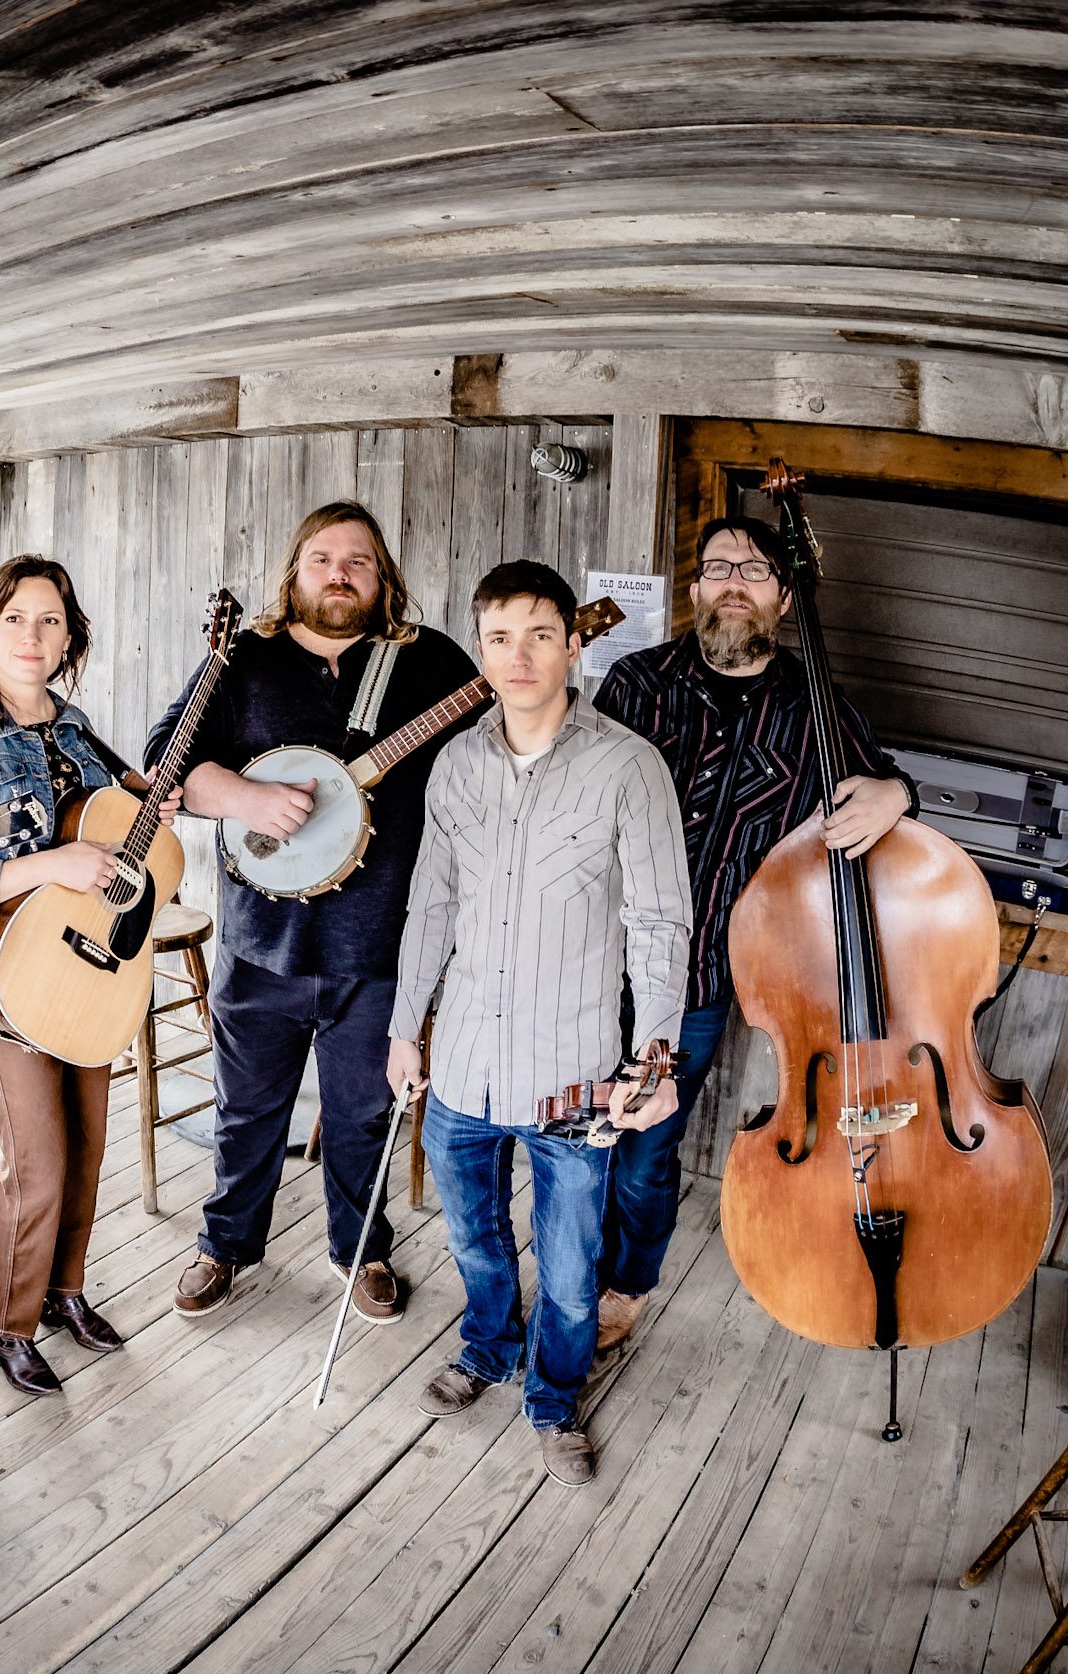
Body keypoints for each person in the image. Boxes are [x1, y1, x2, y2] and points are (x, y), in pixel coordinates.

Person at [388, 560, 691, 1488]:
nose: (518, 657)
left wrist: (658, 1055)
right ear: (482, 651)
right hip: (465, 1067)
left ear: (573, 643)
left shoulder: (627, 765)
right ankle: (487, 1345)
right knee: (476, 1239)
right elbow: (430, 904)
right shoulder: (457, 762)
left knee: (569, 1266)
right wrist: (407, 1028)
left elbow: (658, 920)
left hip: (574, 1076)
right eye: (499, 638)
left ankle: (554, 1398)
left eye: (539, 635)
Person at [146, 501, 479, 1323]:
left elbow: (494, 746)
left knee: (364, 1116)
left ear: (383, 575)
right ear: (295, 571)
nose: (339, 573)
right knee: (246, 1109)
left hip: (378, 946)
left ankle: (360, 1249)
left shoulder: (428, 659)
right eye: (323, 558)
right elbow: (164, 762)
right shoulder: (244, 656)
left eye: (358, 560)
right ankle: (226, 1245)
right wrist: (246, 797)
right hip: (261, 943)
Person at [590, 515, 916, 1352]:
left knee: (646, 1146)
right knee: (579, 1128)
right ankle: (564, 1268)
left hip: (701, 977)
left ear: (781, 596)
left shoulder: (817, 705)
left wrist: (898, 793)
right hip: (593, 960)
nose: (734, 581)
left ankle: (624, 1282)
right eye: (718, 566)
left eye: (757, 570)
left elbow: (883, 791)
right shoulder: (633, 681)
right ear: (695, 588)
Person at [0, 555, 179, 1396]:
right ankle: (7, 1321)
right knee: (39, 1162)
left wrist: (147, 818)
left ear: (70, 638)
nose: (34, 635)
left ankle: (66, 1292)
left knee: (91, 1151)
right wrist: (47, 866)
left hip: (91, 966)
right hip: (9, 980)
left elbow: (111, 843)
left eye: (51, 620)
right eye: (17, 618)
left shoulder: (81, 729)